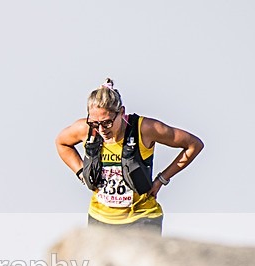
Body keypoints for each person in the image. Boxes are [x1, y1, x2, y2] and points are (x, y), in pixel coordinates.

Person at [55, 78, 204, 233]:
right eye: (94, 123)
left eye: (107, 123)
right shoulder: (85, 129)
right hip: (99, 219)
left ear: (121, 112)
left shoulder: (145, 129)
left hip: (142, 219)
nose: (101, 129)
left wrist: (162, 179)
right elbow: (62, 143)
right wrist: (81, 174)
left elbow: (193, 145)